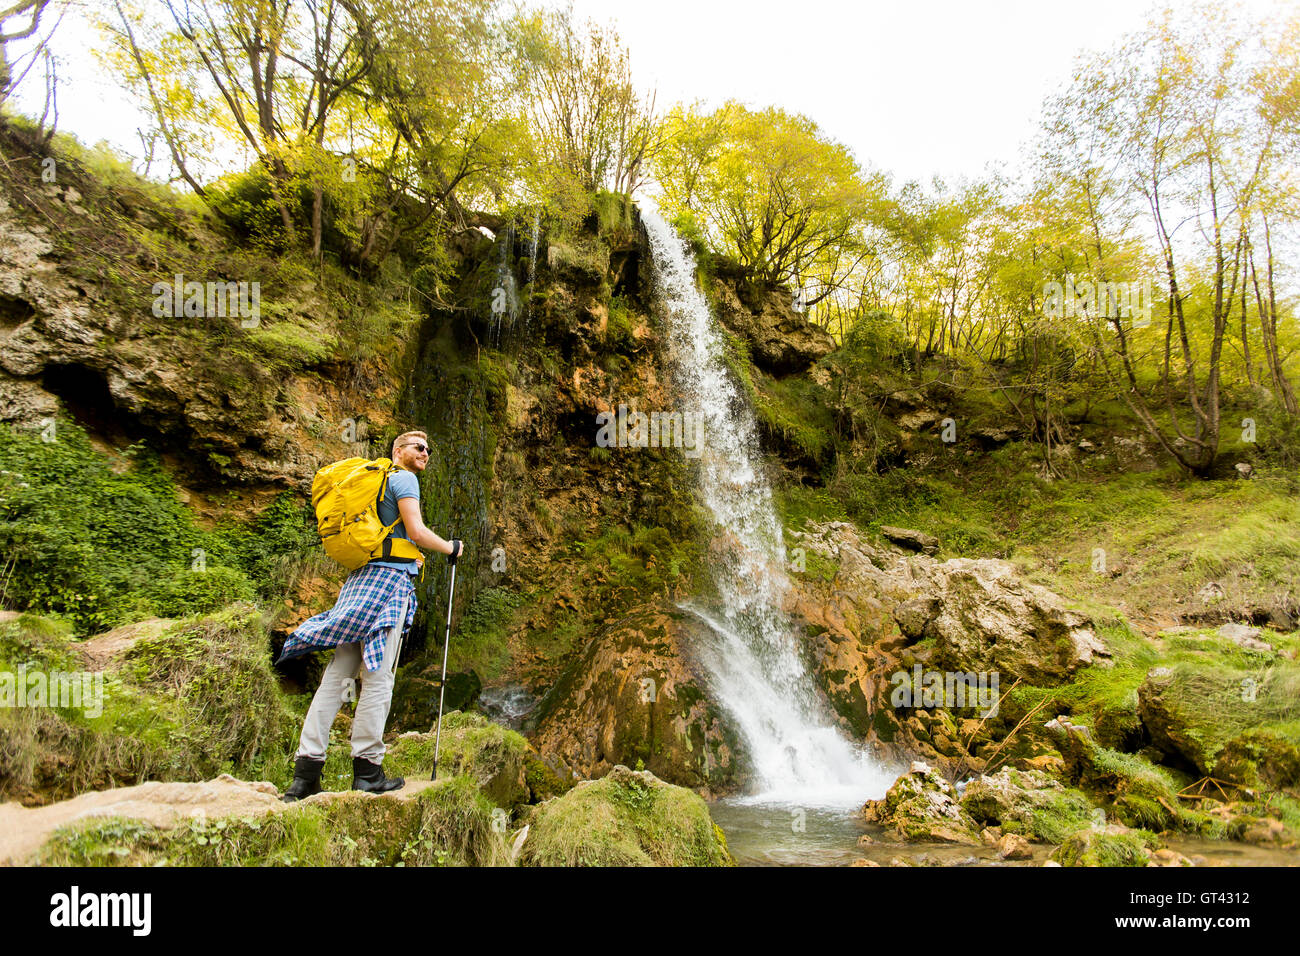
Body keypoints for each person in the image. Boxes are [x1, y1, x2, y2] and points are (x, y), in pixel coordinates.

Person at [278, 430, 462, 802]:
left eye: (428, 448)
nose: (425, 452)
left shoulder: (374, 482)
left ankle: (306, 773)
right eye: (418, 447)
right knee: (378, 677)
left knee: (338, 674)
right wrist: (451, 547)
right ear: (398, 451)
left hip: (358, 583)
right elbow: (416, 530)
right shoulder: (403, 477)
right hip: (389, 583)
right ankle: (367, 771)